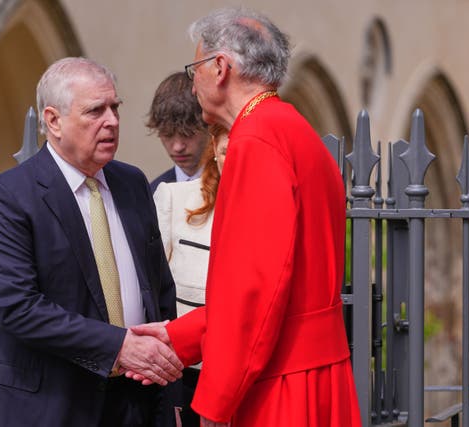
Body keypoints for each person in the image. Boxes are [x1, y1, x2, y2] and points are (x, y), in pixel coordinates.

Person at [131, 7, 361, 427]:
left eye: (195, 67)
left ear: (220, 68)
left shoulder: (256, 140)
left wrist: (217, 399)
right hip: (311, 373)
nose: (193, 82)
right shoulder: (293, 129)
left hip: (280, 384)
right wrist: (175, 337)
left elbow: (254, 292)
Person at [0, 57, 183, 427]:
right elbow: (17, 307)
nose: (111, 121)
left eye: (115, 108)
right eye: (95, 110)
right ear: (53, 121)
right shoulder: (10, 196)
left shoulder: (132, 184)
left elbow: (159, 293)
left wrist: (169, 393)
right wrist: (119, 347)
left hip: (131, 402)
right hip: (44, 405)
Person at [153, 124, 228, 426]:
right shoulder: (174, 196)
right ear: (214, 149)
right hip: (182, 373)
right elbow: (155, 291)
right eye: (225, 150)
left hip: (241, 375)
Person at [147, 71, 209, 192]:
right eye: (167, 134)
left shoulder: (234, 183)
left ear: (210, 126)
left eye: (187, 133)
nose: (177, 147)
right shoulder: (153, 194)